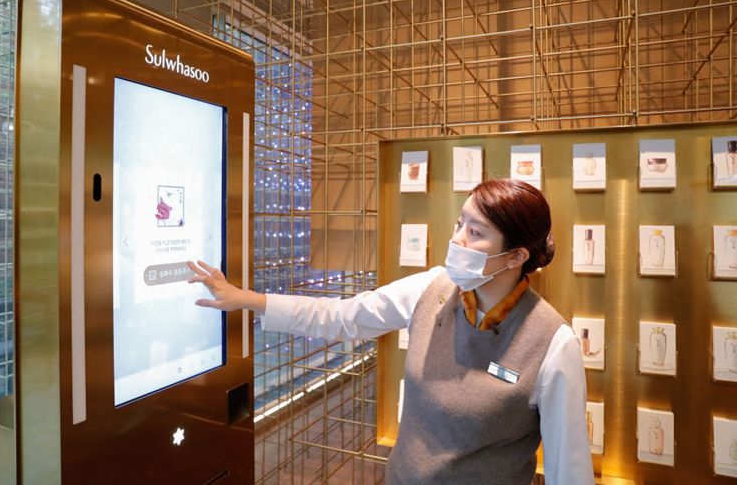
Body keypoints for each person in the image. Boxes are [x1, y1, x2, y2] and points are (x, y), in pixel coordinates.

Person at [188, 178, 595, 484]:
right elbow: (343, 317)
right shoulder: (431, 289)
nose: (456, 239)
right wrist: (248, 300)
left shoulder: (552, 344)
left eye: (475, 232)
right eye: (459, 223)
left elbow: (569, 469)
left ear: (515, 256)